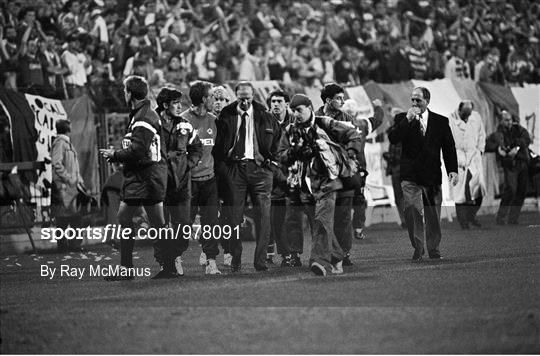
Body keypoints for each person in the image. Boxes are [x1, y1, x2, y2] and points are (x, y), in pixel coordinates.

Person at [278, 94, 362, 276]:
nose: (296, 114)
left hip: (327, 183)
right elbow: (281, 155)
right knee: (318, 225)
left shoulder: (326, 123)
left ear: (309, 107)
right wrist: (294, 152)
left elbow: (353, 134)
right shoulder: (290, 130)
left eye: (299, 110)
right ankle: (337, 256)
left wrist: (351, 153)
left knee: (321, 221)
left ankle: (319, 262)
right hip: (303, 187)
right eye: (293, 111)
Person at [99, 76, 168, 280]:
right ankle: (169, 265)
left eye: (124, 90)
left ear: (129, 93)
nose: (123, 93)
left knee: (125, 217)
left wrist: (115, 155)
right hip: (149, 177)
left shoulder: (143, 117)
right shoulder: (144, 114)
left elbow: (138, 151)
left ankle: (127, 269)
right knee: (156, 222)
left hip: (143, 179)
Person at [212, 81, 281, 272]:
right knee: (233, 217)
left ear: (253, 96)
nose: (244, 102)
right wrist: (225, 168)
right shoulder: (226, 114)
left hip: (260, 170)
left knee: (264, 217)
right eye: (241, 98)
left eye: (248, 98)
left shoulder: (265, 115)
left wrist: (271, 164)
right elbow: (218, 146)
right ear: (236, 96)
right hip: (235, 169)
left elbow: (278, 139)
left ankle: (260, 261)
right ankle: (235, 258)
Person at [388, 87, 458, 261]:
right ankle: (418, 248)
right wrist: (407, 119)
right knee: (412, 210)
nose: (414, 103)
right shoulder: (401, 118)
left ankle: (434, 248)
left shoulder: (441, 121)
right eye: (412, 100)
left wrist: (453, 170)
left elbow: (449, 148)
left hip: (432, 175)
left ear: (427, 100)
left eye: (418, 100)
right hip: (409, 175)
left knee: (433, 214)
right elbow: (394, 138)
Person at [156, 87, 203, 276]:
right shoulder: (151, 125)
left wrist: (187, 166)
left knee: (183, 229)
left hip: (181, 185)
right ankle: (165, 264)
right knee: (159, 228)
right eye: (175, 103)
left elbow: (197, 148)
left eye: (180, 103)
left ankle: (172, 256)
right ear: (165, 105)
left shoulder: (185, 125)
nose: (179, 106)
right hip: (158, 185)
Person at [180, 81, 222, 275]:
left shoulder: (214, 120)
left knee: (211, 222)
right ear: (204, 99)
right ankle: (175, 258)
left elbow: (219, 151)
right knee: (183, 223)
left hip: (210, 181)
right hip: (188, 183)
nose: (215, 99)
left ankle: (211, 261)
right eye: (212, 96)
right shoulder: (182, 121)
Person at [265, 90, 303, 268]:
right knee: (277, 219)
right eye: (273, 101)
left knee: (294, 217)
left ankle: (295, 253)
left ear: (287, 104)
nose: (275, 104)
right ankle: (285, 254)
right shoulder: (264, 123)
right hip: (274, 177)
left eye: (279, 101)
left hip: (295, 177)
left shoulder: (296, 122)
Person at [486, 110, 531, 225]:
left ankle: (513, 218)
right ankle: (501, 217)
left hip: (522, 163)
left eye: (510, 119)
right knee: (510, 189)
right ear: (501, 121)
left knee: (522, 191)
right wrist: (498, 149)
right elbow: (486, 144)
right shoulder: (497, 134)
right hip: (510, 165)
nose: (509, 122)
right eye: (506, 120)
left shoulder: (518, 129)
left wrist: (516, 147)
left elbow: (527, 139)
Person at [448, 100, 486, 229]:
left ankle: (471, 215)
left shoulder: (476, 117)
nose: (467, 117)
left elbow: (482, 135)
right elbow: (447, 141)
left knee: (478, 190)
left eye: (468, 114)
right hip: (458, 157)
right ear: (459, 110)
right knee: (460, 194)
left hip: (474, 157)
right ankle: (463, 221)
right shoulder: (450, 119)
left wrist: (480, 150)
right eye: (464, 114)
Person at [51, 119, 84, 253]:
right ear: (68, 129)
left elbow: (73, 166)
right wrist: (68, 178)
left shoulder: (65, 143)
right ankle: (70, 245)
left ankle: (67, 245)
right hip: (64, 186)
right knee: (69, 217)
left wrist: (79, 181)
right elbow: (56, 163)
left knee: (67, 217)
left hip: (70, 186)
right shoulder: (60, 143)